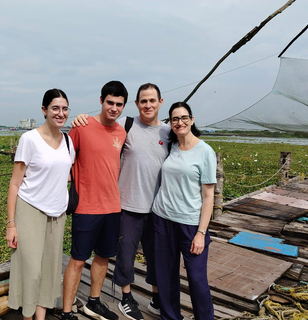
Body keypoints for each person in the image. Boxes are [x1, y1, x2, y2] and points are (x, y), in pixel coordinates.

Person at [72, 83, 170, 320]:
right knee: (125, 255)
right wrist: (80, 117)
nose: (148, 105)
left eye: (152, 100)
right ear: (136, 104)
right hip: (126, 204)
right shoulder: (126, 124)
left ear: (160, 102)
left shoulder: (169, 132)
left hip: (157, 207)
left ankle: (157, 299)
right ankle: (126, 298)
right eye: (143, 101)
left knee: (157, 255)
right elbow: (101, 123)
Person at [61, 80, 128, 320]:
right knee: (78, 259)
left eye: (119, 104)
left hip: (112, 206)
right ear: (101, 101)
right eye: (110, 102)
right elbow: (64, 159)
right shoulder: (82, 125)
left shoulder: (122, 132)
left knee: (103, 256)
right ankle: (67, 312)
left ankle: (94, 301)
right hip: (86, 206)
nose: (114, 108)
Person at [6, 89, 75, 320]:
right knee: (32, 271)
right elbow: (15, 184)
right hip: (30, 210)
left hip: (58, 213)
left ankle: (41, 317)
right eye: (55, 108)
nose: (60, 113)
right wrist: (11, 224)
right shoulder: (30, 139)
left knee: (49, 270)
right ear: (44, 110)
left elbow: (64, 173)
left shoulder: (67, 141)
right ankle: (27, 316)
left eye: (65, 109)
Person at [151, 102, 216, 320]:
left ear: (192, 119)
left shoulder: (205, 151)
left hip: (190, 224)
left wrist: (201, 232)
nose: (180, 122)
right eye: (175, 119)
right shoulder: (171, 146)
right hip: (162, 219)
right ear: (171, 123)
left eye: (184, 117)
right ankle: (170, 317)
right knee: (166, 277)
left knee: (197, 280)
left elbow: (208, 197)